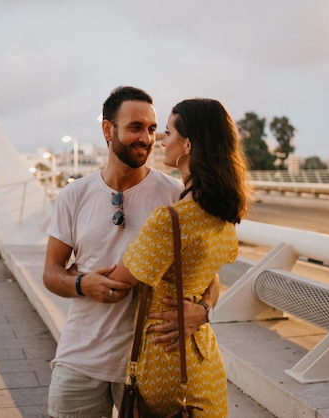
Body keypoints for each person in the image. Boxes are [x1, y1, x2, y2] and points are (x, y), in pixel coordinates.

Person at [43, 86, 219, 418]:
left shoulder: (175, 196)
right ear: (108, 129)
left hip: (151, 364)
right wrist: (84, 285)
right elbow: (51, 273)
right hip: (81, 358)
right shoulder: (74, 196)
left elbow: (208, 277)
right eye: (135, 127)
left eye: (153, 129)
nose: (147, 138)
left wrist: (205, 310)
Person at [105, 98, 250, 416]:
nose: (161, 140)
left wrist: (75, 274)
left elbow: (117, 282)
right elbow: (208, 276)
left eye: (167, 132)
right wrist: (204, 309)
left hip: (168, 361)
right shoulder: (219, 213)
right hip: (205, 361)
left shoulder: (171, 219)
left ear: (186, 144)